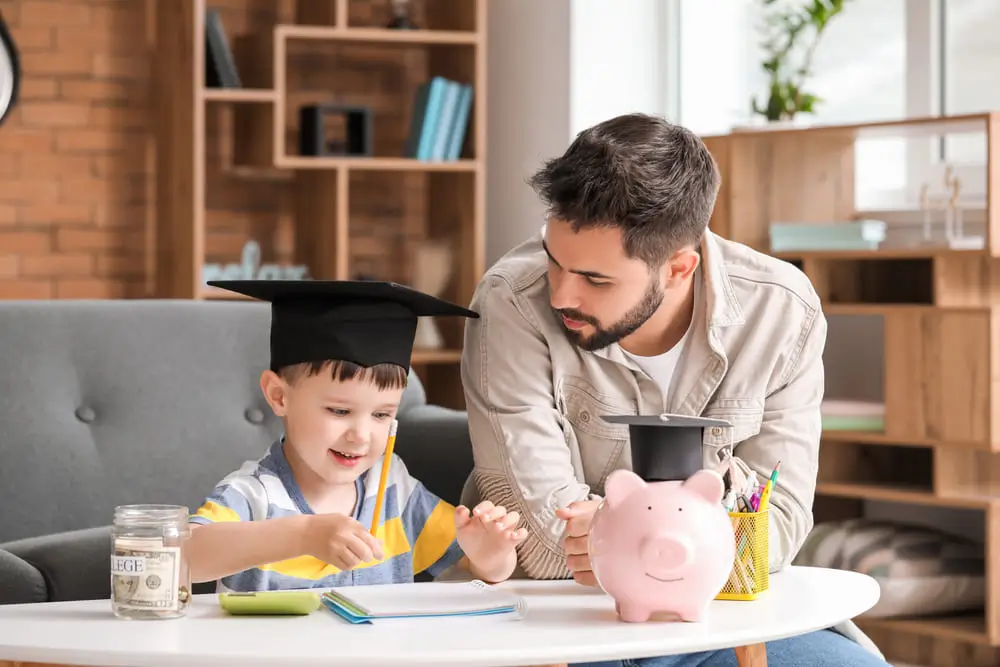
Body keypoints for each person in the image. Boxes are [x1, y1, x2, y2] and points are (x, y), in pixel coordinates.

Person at [460, 113, 889, 666]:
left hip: (719, 615)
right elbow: (540, 547)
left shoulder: (783, 311)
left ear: (680, 269)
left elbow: (777, 528)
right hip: (558, 619)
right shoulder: (511, 300)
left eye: (596, 279)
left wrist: (620, 536)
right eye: (553, 258)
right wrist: (685, 541)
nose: (561, 292)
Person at [188, 279, 527, 591]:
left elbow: (475, 568)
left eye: (382, 415)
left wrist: (491, 554)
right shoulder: (254, 495)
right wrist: (304, 534)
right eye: (339, 411)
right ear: (279, 396)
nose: (361, 436)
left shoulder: (394, 488)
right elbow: (182, 559)